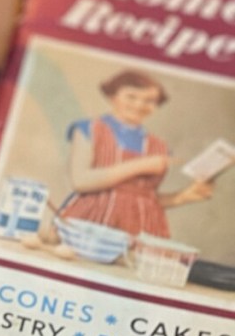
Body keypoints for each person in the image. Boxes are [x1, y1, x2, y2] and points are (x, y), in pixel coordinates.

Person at [57, 69, 212, 238]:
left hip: (141, 230)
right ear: (112, 96)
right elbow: (81, 181)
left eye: (150, 100)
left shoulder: (159, 147)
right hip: (91, 222)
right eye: (131, 97)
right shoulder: (89, 129)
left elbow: (144, 201)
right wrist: (142, 165)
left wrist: (183, 196)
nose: (139, 105)